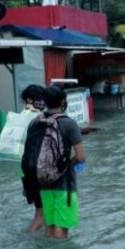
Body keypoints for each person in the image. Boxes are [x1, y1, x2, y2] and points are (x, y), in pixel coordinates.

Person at [25, 85, 85, 239]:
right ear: (63, 101)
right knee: (62, 228)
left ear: (44, 101)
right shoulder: (69, 124)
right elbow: (80, 157)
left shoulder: (34, 122)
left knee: (50, 227)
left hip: (42, 183)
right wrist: (68, 164)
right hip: (64, 184)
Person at [19, 84, 46, 232]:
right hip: (37, 167)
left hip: (27, 167)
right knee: (40, 215)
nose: (42, 102)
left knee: (42, 212)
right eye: (39, 99)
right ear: (30, 100)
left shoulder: (22, 116)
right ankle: (29, 242)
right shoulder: (36, 117)